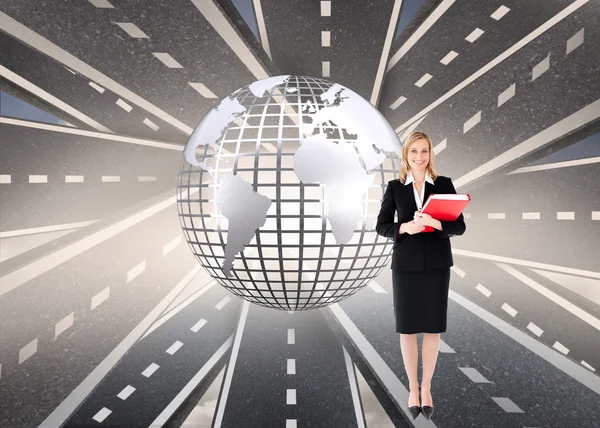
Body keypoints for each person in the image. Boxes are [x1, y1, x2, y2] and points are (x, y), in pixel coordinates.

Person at [375, 131, 466, 421]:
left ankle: (427, 388)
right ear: (406, 154)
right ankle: (412, 388)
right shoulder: (395, 187)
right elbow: (381, 225)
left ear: (430, 154)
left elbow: (460, 226)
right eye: (414, 151)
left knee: (432, 327)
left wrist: (436, 223)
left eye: (424, 151)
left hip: (437, 265)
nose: (419, 156)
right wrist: (403, 228)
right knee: (408, 328)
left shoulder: (443, 184)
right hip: (405, 265)